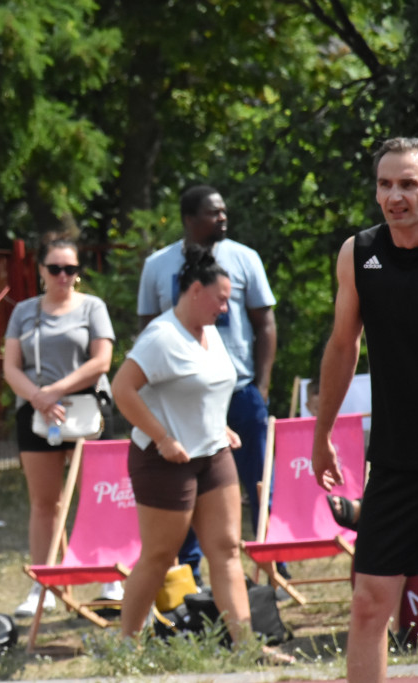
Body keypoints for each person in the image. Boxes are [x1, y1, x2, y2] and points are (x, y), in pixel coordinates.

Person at [312, 136, 418, 683]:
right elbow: (342, 346)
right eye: (385, 184)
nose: (395, 196)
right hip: (397, 462)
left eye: (408, 184)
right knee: (370, 603)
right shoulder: (359, 253)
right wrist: (322, 433)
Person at [112, 245, 290, 665]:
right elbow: (122, 390)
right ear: (195, 290)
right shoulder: (160, 336)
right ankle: (126, 649)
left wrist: (219, 425)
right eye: (222, 298)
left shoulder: (210, 332)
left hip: (213, 455)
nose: (227, 308)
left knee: (227, 549)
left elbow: (207, 387)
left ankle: (247, 647)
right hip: (164, 461)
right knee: (158, 557)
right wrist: (162, 438)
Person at [137, 184, 278, 584]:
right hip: (181, 403)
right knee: (185, 487)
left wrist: (263, 385)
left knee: (257, 480)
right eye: (213, 213)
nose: (222, 218)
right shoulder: (157, 266)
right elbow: (147, 331)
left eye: (224, 212)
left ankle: (272, 570)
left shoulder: (245, 258)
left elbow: (264, 324)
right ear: (188, 220)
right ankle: (189, 578)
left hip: (240, 392)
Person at [2, 234, 117, 617]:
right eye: (55, 268)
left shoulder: (92, 307)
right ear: (41, 271)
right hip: (36, 415)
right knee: (44, 504)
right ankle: (45, 585)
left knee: (95, 498)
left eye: (70, 269)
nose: (63, 276)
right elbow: (10, 367)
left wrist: (55, 391)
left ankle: (109, 580)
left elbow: (102, 362)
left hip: (86, 411)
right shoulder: (24, 311)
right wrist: (38, 397)